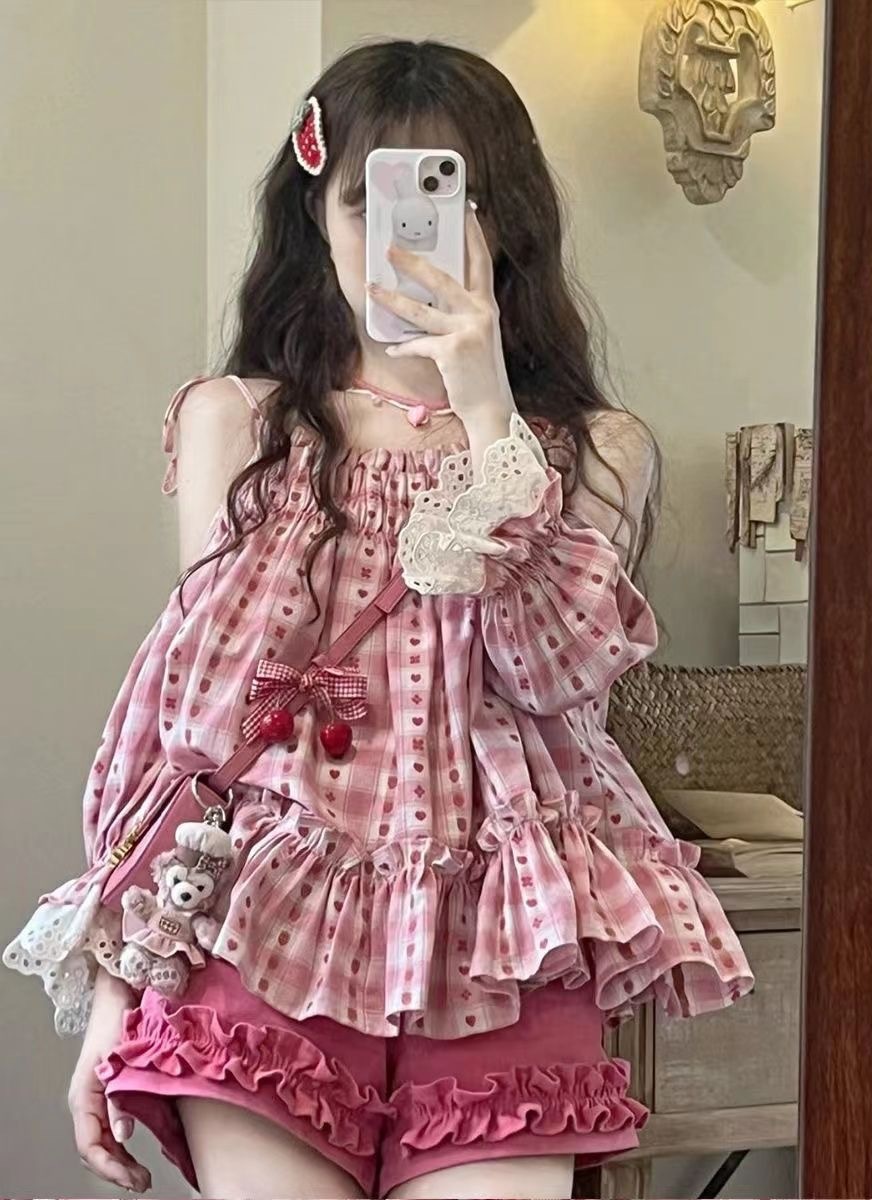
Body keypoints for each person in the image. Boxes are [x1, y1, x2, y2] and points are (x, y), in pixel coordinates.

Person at [4, 38, 753, 1200]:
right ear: (316, 218)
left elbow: (559, 672)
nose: (406, 237)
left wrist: (487, 406)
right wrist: (118, 984)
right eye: (370, 202)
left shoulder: (595, 451)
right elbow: (193, 727)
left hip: (499, 938)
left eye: (452, 201)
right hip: (267, 924)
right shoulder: (240, 425)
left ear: (506, 223)